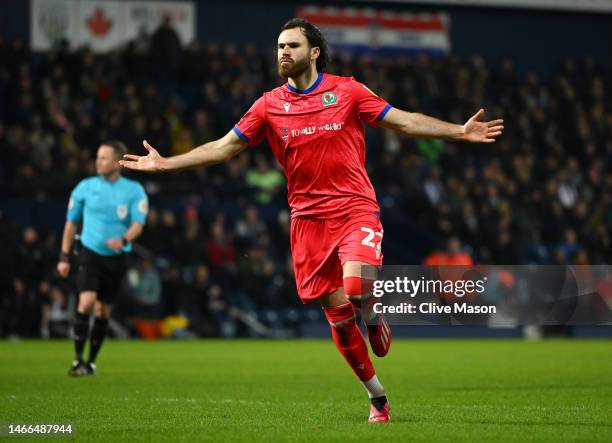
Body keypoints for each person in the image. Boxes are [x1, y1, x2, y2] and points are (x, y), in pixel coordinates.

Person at [119, 18, 503, 422]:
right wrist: (166, 164)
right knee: (338, 321)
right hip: (307, 223)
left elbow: (404, 120)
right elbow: (223, 147)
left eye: (292, 46)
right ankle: (378, 398)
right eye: (280, 46)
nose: (283, 52)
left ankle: (372, 314)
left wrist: (458, 132)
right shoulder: (268, 105)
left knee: (356, 288)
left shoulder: (348, 91)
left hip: (355, 209)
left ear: (314, 51)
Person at [57, 141, 148, 376]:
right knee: (86, 303)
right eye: (98, 157)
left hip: (116, 257)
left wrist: (125, 240)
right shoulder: (84, 188)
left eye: (104, 158)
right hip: (89, 252)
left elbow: (138, 223)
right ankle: (77, 360)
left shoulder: (134, 190)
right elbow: (70, 223)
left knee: (103, 311)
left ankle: (91, 363)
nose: (99, 162)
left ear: (117, 162)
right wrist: (64, 256)